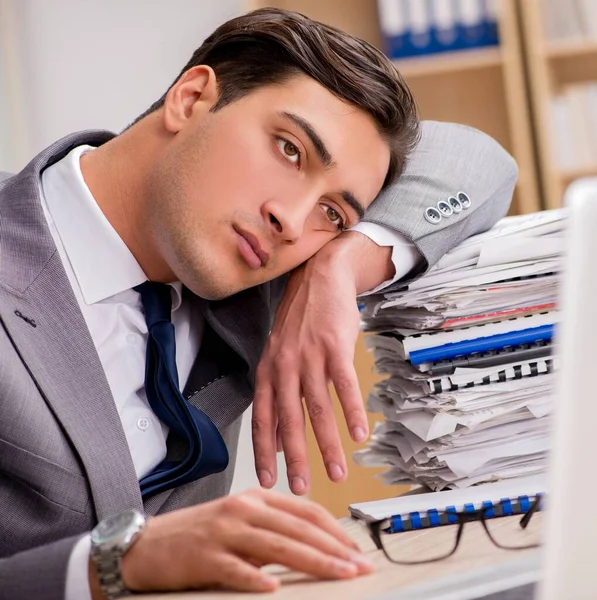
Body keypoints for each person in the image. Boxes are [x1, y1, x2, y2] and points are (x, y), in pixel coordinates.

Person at [0, 7, 517, 600]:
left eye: (331, 211)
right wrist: (111, 566)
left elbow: (480, 162)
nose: (292, 222)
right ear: (191, 98)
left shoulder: (252, 273)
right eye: (290, 149)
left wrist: (338, 265)